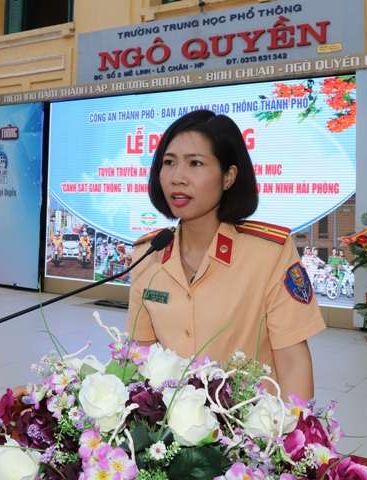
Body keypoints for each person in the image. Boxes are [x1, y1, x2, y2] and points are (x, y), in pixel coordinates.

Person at [126, 110, 325, 400]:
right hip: (167, 423)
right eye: (169, 162)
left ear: (228, 176)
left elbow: (293, 362)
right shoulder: (148, 254)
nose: (177, 178)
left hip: (249, 423)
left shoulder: (269, 253)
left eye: (195, 163)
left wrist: (292, 426)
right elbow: (140, 357)